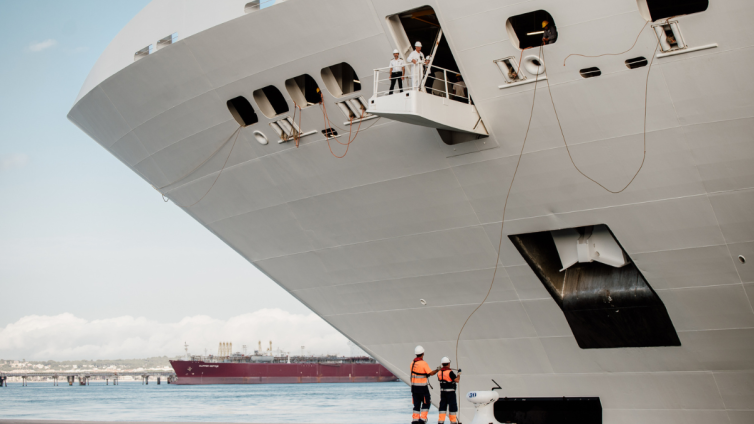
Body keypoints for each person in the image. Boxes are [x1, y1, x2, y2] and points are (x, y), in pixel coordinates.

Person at [411, 345, 439, 424]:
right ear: (423, 353)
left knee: (416, 404)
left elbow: (418, 373)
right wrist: (438, 369)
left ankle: (415, 420)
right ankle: (423, 419)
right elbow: (431, 373)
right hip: (422, 388)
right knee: (427, 402)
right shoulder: (423, 363)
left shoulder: (412, 363)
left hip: (414, 388)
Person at [437, 357, 461, 424]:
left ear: (442, 364)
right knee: (452, 407)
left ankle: (440, 421)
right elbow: (457, 380)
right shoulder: (450, 372)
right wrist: (459, 374)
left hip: (443, 392)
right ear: (449, 363)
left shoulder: (439, 372)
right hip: (450, 393)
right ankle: (453, 422)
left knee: (442, 407)